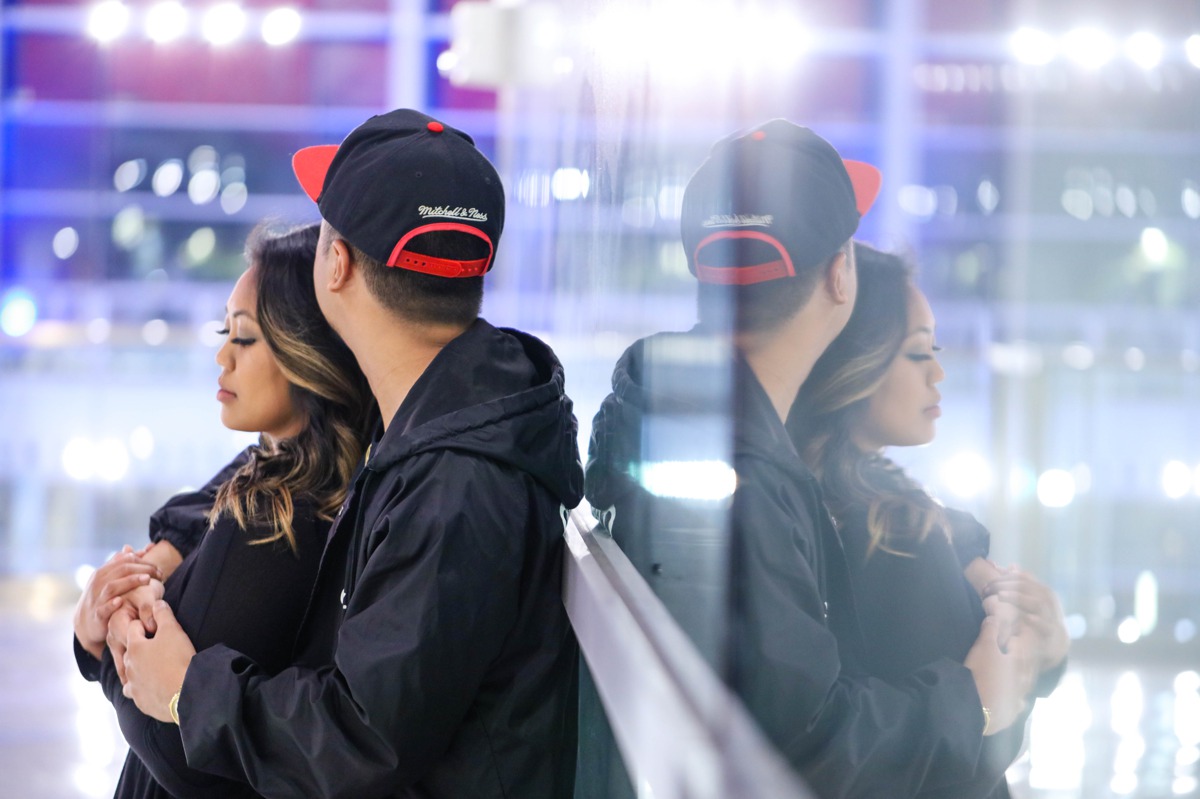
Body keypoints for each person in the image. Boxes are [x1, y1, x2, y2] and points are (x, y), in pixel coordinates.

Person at [115, 109, 583, 799]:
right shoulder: (439, 417)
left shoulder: (457, 482)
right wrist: (174, 540)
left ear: (336, 265)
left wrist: (189, 692)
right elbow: (291, 460)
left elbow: (361, 739)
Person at [585, 119, 1040, 797]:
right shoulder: (746, 478)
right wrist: (971, 702)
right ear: (840, 274)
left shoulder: (669, 420)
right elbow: (811, 744)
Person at [73, 222, 377, 798]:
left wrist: (110, 640)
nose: (222, 356)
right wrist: (136, 586)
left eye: (242, 337)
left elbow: (178, 744)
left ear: (303, 352)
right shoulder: (276, 472)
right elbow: (194, 510)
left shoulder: (273, 519)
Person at [787, 243, 1069, 798]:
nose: (938, 372)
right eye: (918, 353)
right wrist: (1031, 664)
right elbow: (972, 750)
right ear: (854, 359)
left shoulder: (823, 499)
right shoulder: (896, 533)